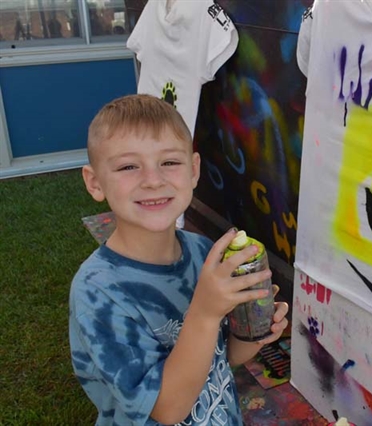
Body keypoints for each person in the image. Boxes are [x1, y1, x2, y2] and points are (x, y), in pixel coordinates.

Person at [69, 94, 289, 425]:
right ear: (95, 182)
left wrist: (254, 329)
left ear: (194, 171)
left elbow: (224, 356)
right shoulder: (98, 293)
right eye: (129, 166)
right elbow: (166, 409)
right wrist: (204, 311)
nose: (153, 180)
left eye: (169, 162)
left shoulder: (203, 253)